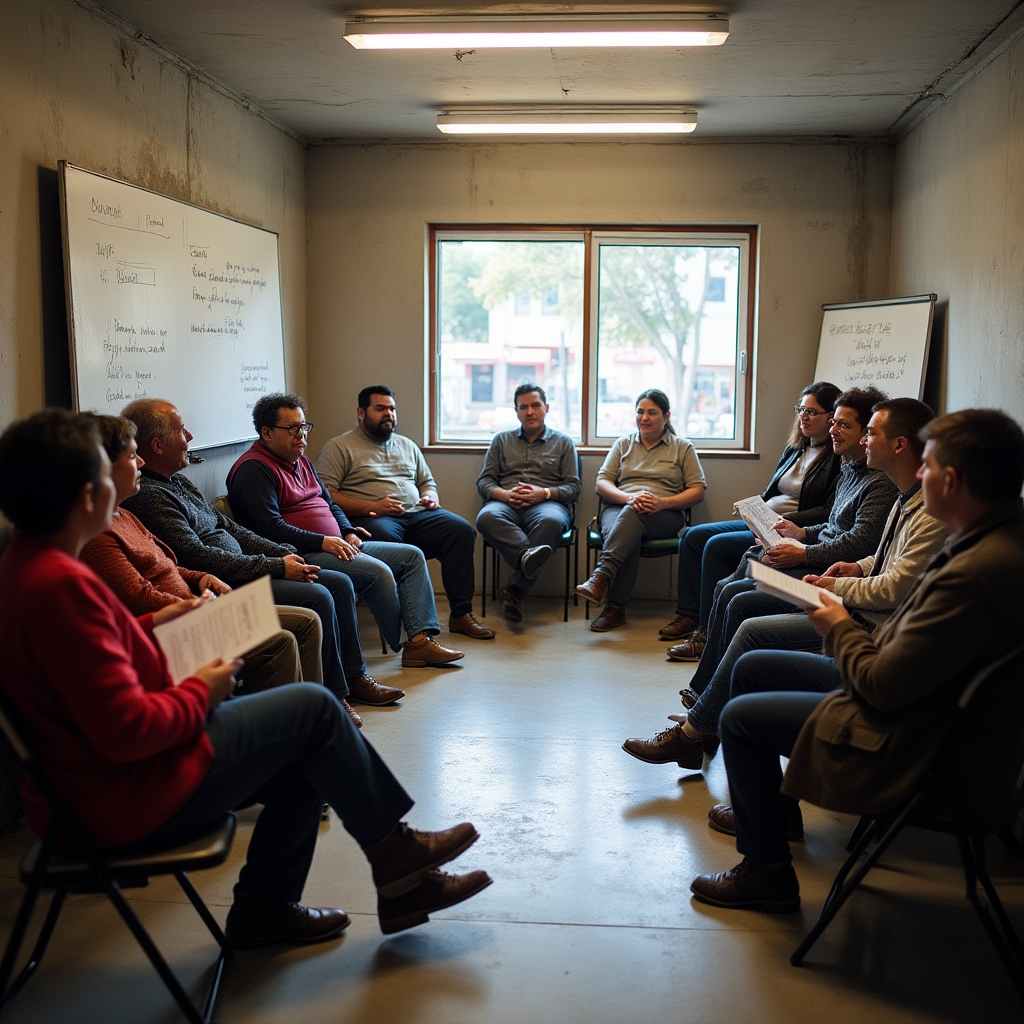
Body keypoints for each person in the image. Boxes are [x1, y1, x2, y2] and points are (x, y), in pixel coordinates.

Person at [0, 409, 491, 944]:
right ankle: (389, 858)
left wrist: (152, 628)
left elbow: (94, 671)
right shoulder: (62, 589)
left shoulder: (30, 565)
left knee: (307, 744)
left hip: (99, 785)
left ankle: (280, 906)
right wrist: (201, 689)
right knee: (313, 710)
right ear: (85, 494)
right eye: (109, 468)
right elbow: (128, 731)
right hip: (116, 800)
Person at [688, 408, 1024, 913]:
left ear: (951, 480)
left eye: (929, 466)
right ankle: (774, 815)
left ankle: (768, 873)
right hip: (932, 710)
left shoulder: (973, 571)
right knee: (754, 666)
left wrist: (838, 624)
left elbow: (880, 685)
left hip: (920, 741)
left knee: (742, 719)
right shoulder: (996, 539)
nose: (922, 476)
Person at [623, 398, 948, 770]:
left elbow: (891, 583)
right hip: (837, 585)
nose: (842, 435)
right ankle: (702, 711)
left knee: (745, 610)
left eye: (864, 431)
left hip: (853, 610)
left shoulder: (902, 496)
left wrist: (818, 567)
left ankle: (698, 727)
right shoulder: (898, 493)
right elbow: (881, 554)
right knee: (735, 588)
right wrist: (854, 566)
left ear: (899, 445)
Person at [120, 398, 399, 723]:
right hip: (229, 583)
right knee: (322, 594)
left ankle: (352, 679)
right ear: (157, 445)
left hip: (248, 567)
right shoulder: (151, 497)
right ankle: (333, 698)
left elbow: (230, 527)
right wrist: (278, 566)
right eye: (182, 431)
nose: (191, 437)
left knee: (337, 583)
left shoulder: (179, 482)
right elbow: (198, 557)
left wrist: (281, 553)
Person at [81, 413, 325, 697]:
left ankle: (307, 714)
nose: (141, 463)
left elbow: (170, 563)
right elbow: (139, 598)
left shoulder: (124, 512)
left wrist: (200, 577)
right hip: (177, 626)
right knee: (282, 638)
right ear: (103, 469)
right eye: (132, 456)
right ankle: (285, 721)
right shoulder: (101, 532)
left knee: (308, 620)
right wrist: (196, 606)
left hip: (197, 602)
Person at [227, 393, 464, 668]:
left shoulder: (301, 460)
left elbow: (329, 503)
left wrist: (348, 530)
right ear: (266, 432)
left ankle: (420, 642)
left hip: (336, 543)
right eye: (292, 428)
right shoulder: (253, 469)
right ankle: (410, 642)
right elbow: (271, 528)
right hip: (300, 553)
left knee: (411, 557)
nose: (301, 435)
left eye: (304, 427)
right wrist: (324, 541)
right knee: (379, 572)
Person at [664, 386, 897, 664]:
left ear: (866, 434)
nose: (834, 429)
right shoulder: (850, 466)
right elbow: (831, 526)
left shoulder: (879, 481)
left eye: (843, 424)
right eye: (834, 422)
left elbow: (860, 543)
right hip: (814, 564)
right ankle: (705, 677)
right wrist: (801, 534)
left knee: (738, 597)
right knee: (731, 585)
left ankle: (706, 687)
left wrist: (803, 551)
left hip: (821, 578)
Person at [658, 381, 842, 642]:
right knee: (692, 536)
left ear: (831, 416)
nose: (803, 416)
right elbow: (771, 493)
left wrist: (781, 520)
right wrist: (752, 508)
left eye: (812, 412)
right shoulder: (796, 448)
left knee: (715, 546)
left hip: (784, 529)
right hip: (764, 519)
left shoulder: (837, 457)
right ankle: (690, 616)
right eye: (800, 409)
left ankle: (706, 632)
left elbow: (826, 511)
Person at [315, 386, 494, 641]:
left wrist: (431, 497)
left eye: (391, 408)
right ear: (361, 413)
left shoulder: (406, 445)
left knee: (460, 530)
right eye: (380, 408)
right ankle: (405, 624)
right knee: (384, 535)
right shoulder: (340, 447)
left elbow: (427, 482)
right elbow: (326, 494)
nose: (388, 414)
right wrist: (374, 505)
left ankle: (460, 614)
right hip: (374, 519)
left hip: (418, 515)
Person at [575, 389, 707, 632]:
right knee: (629, 524)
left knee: (630, 519)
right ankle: (614, 605)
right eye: (640, 412)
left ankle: (604, 585)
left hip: (664, 514)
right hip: (619, 507)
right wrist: (629, 498)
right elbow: (602, 483)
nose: (644, 417)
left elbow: (697, 491)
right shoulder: (623, 443)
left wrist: (661, 502)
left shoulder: (682, 447)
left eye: (652, 412)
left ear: (666, 416)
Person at [475, 383, 581, 622]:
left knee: (552, 521)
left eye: (535, 405)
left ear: (546, 408)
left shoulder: (564, 443)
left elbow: (573, 488)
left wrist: (542, 493)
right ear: (516, 411)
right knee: (486, 517)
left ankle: (515, 589)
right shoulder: (500, 440)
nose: (530, 412)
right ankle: (526, 556)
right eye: (523, 407)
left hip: (546, 504)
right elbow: (484, 482)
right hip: (506, 503)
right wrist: (504, 495)